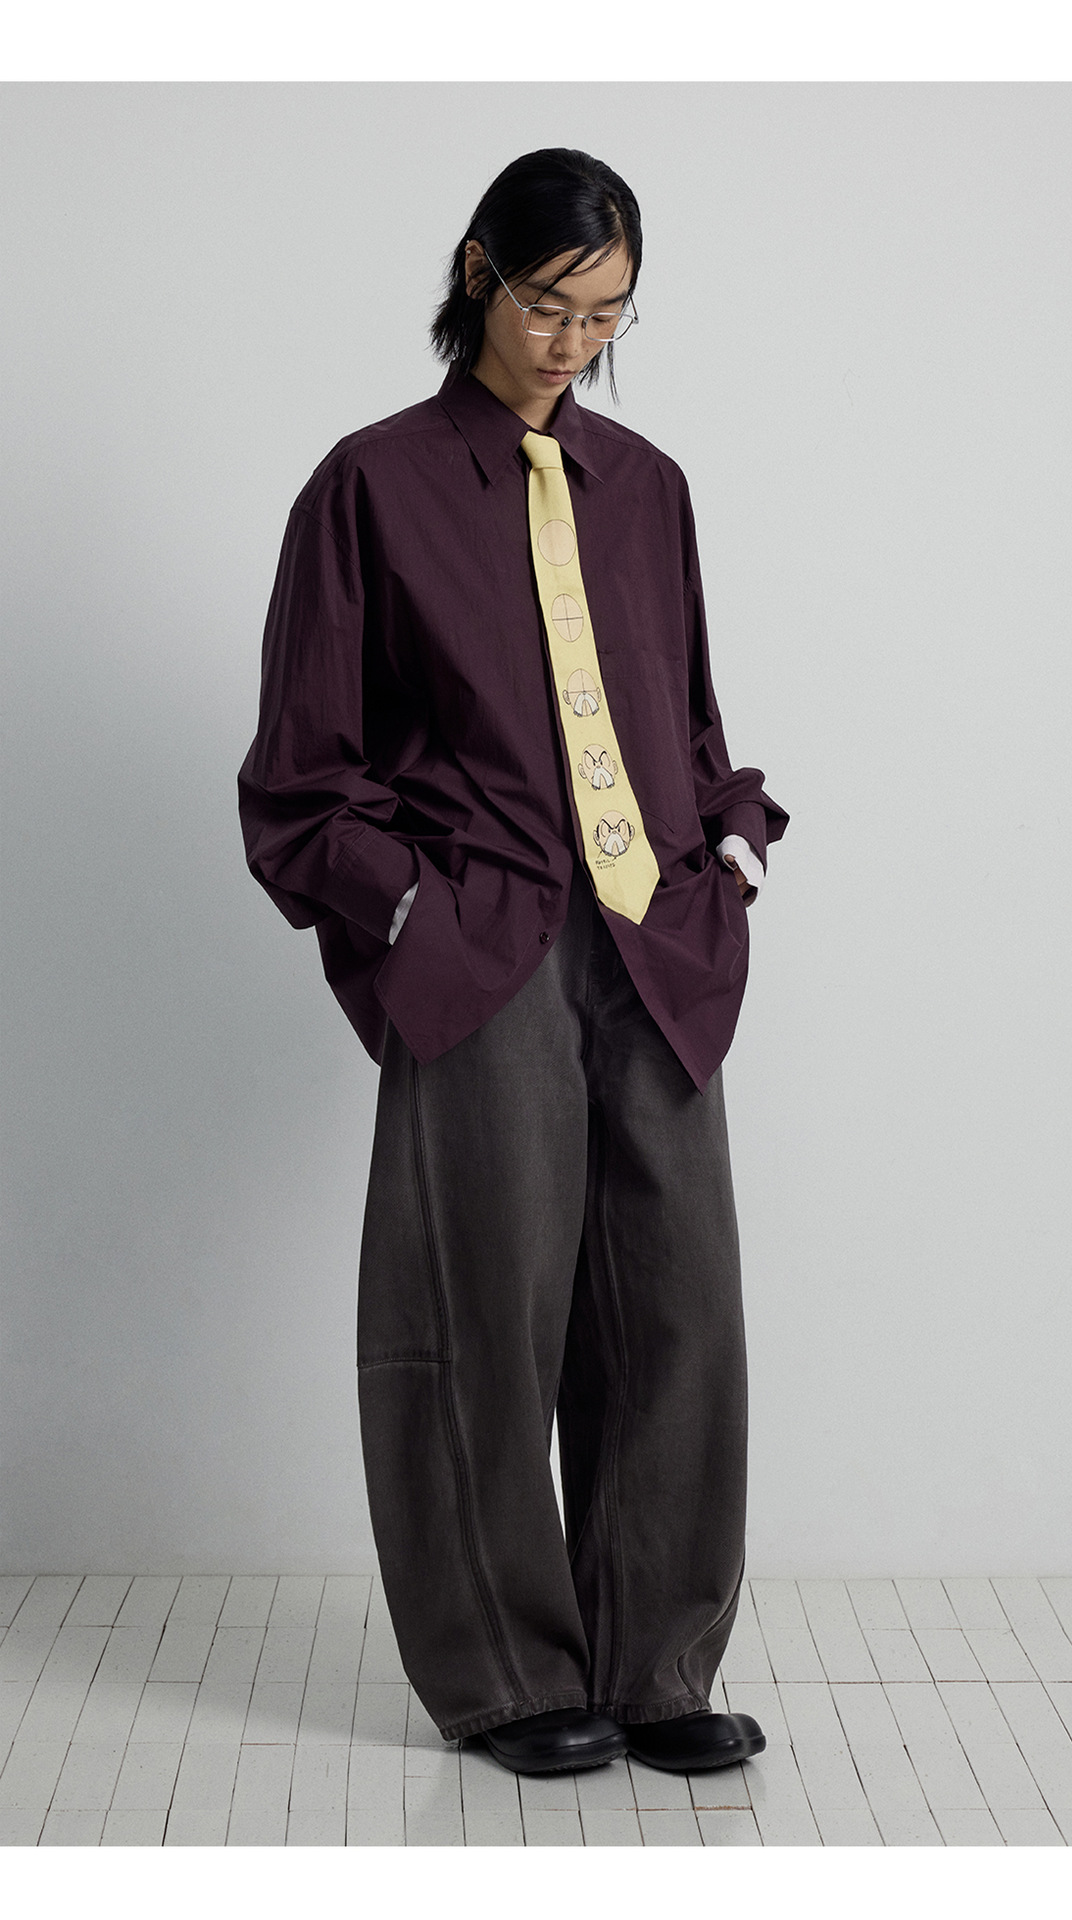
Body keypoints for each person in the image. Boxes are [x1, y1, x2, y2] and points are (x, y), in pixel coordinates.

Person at [238, 147, 789, 1779]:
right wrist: (411, 910)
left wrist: (728, 848)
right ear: (479, 273)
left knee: (678, 1307)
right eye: (551, 304)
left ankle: (657, 1668)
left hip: (654, 939)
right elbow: (300, 773)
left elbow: (688, 718)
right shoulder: (369, 488)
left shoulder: (650, 489)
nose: (573, 343)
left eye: (607, 315)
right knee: (483, 1305)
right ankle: (506, 1676)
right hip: (482, 943)